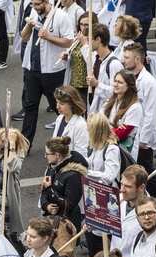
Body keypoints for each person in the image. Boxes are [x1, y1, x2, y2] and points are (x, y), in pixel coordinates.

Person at [20, 0, 75, 148]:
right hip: (32, 69)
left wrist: (48, 36)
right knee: (30, 106)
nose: (35, 7)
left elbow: (69, 42)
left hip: (52, 71)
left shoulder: (61, 16)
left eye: (38, 4)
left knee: (58, 106)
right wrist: (28, 27)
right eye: (32, 4)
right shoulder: (33, 13)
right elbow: (23, 37)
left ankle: (69, 139)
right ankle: (25, 145)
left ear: (46, 1)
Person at [80, 113, 121, 257]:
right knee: (95, 238)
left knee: (101, 239)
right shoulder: (97, 146)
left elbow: (109, 175)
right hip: (95, 197)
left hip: (107, 200)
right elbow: (91, 163)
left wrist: (87, 172)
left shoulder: (111, 149)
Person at [122, 42, 156, 199]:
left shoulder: (148, 82)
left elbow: (151, 113)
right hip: (133, 133)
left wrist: (144, 139)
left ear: (137, 59)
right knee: (137, 169)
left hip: (143, 137)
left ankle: (154, 200)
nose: (123, 60)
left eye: (127, 58)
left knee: (147, 171)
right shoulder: (130, 77)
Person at [40, 136, 87, 232]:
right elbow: (44, 191)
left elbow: (68, 205)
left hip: (66, 224)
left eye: (47, 154)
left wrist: (50, 189)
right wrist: (46, 206)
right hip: (50, 219)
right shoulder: (52, 167)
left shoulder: (74, 175)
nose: (45, 156)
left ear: (57, 155)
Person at [60, 12, 99, 109]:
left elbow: (93, 61)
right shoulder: (76, 39)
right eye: (81, 24)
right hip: (74, 83)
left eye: (86, 25)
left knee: (86, 110)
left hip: (86, 85)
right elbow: (73, 59)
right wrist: (66, 58)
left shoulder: (94, 41)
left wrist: (85, 43)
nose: (83, 28)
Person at [84, 23, 125, 115]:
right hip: (93, 110)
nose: (87, 43)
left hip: (106, 113)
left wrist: (97, 84)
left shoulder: (114, 65)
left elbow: (117, 92)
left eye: (89, 40)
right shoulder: (95, 58)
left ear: (98, 40)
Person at [103, 70, 142, 157]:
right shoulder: (109, 101)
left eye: (120, 82)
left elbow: (121, 135)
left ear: (128, 86)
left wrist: (106, 125)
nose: (115, 84)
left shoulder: (135, 107)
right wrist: (114, 128)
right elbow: (98, 122)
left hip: (123, 151)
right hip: (105, 145)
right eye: (115, 81)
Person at [50, 85, 89, 153]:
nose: (57, 106)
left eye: (62, 103)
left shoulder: (81, 125)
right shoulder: (59, 119)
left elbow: (81, 154)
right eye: (57, 102)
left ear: (72, 104)